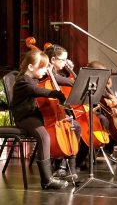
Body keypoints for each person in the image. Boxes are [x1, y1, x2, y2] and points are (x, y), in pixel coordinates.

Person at [12, 50, 68, 189]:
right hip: (25, 117)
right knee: (44, 137)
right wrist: (55, 93)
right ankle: (46, 180)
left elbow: (47, 81)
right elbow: (36, 90)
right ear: (31, 67)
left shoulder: (35, 78)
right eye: (42, 67)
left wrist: (70, 82)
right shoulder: (23, 81)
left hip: (35, 115)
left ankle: (66, 166)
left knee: (71, 126)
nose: (45, 70)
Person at [44, 44, 81, 179]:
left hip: (55, 112)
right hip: (43, 113)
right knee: (73, 126)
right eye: (63, 60)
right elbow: (59, 80)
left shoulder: (55, 72)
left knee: (75, 126)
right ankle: (62, 165)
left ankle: (68, 166)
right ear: (52, 59)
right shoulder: (45, 72)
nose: (65, 62)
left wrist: (70, 71)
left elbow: (61, 79)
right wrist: (75, 81)